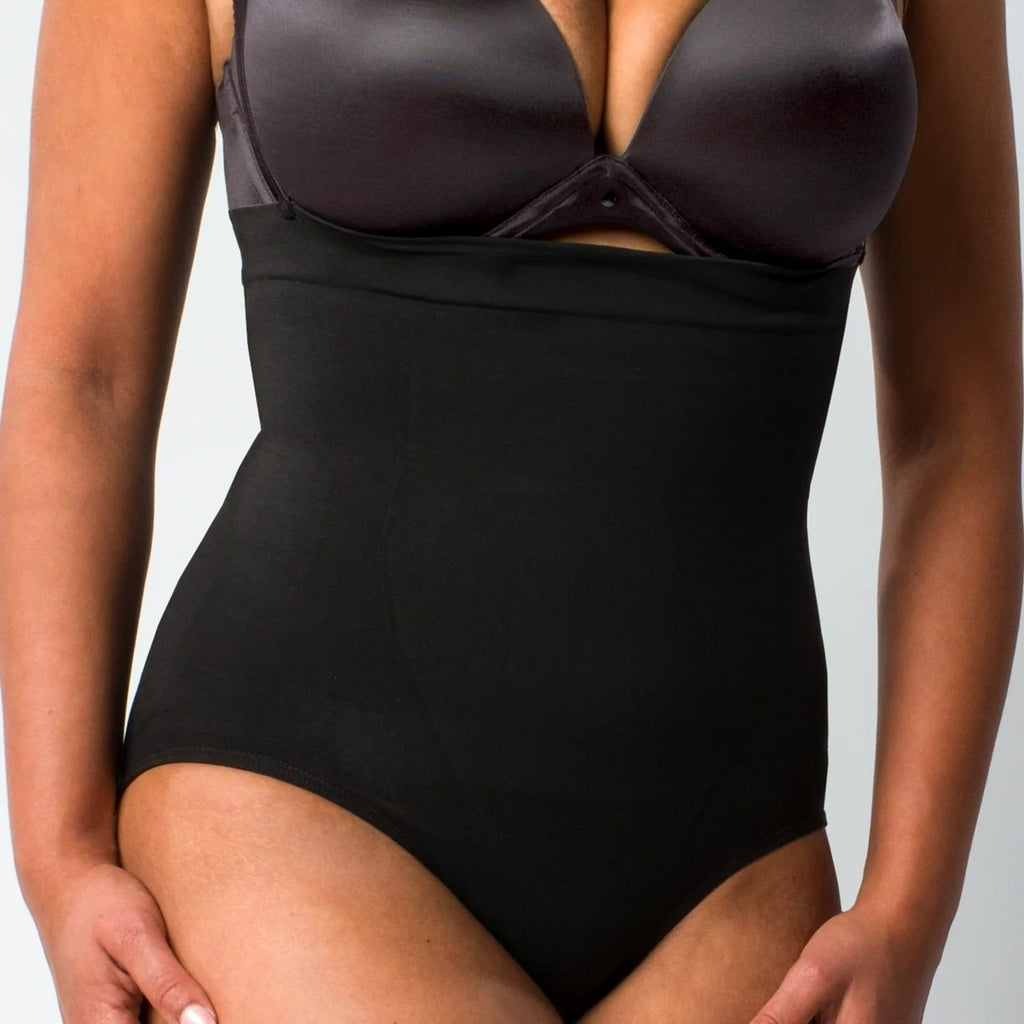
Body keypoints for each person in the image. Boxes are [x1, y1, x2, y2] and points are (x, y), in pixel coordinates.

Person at [0, 0, 1021, 1022]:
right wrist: (60, 855)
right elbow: (83, 377)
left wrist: (908, 910)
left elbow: (960, 431)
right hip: (300, 800)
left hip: (738, 861)